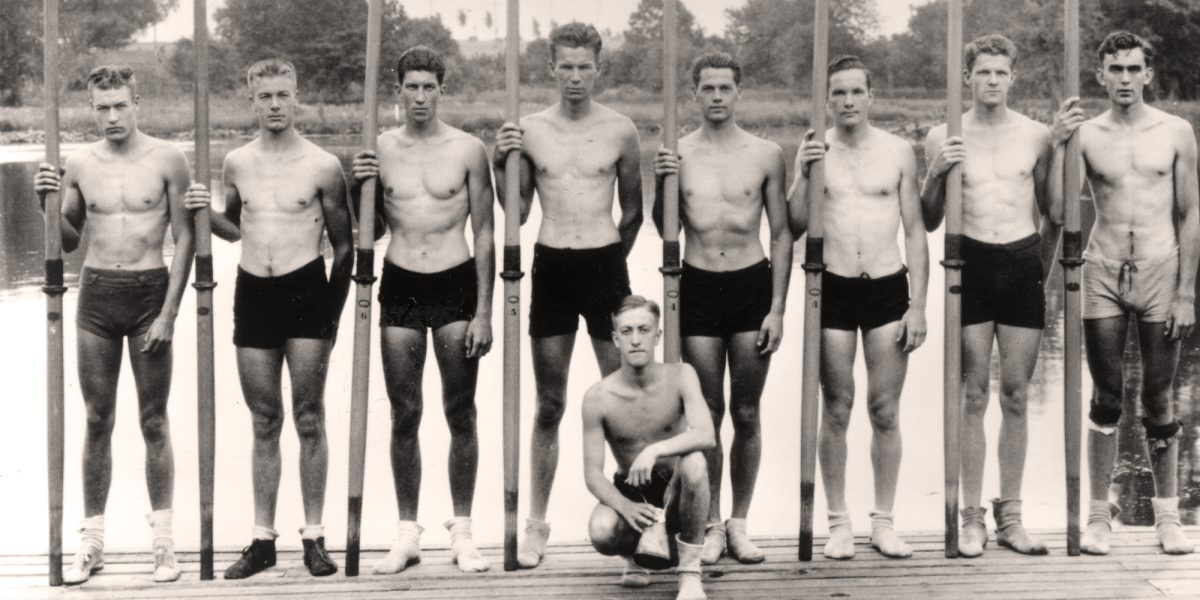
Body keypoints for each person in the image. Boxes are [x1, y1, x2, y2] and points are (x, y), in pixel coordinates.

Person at [183, 59, 354, 578]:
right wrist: (201, 210)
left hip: (307, 293)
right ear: (251, 99)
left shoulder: (323, 165)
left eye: (283, 95)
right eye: (265, 96)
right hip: (253, 292)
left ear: (296, 97)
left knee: (308, 417)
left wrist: (333, 313)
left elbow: (344, 248)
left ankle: (315, 537)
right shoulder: (236, 162)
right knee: (263, 420)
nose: (275, 104)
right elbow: (234, 229)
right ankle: (261, 540)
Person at [33, 64, 195, 585]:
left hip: (150, 294)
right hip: (98, 296)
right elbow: (68, 241)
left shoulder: (168, 159)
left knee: (153, 420)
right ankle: (93, 542)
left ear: (137, 103)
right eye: (102, 108)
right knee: (97, 419)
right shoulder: (79, 164)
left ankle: (164, 543)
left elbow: (187, 237)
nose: (111, 116)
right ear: (91, 110)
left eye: (120, 105)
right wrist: (46, 202)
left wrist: (170, 311)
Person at [492, 22, 644, 567]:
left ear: (598, 69)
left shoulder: (621, 130)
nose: (575, 77)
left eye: (585, 66)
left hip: (604, 265)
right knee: (550, 403)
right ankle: (536, 525)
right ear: (550, 68)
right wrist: (497, 162)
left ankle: (634, 532)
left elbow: (634, 213)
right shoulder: (529, 130)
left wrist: (610, 266)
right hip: (552, 263)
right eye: (566, 66)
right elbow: (519, 212)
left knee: (621, 402)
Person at [349, 46, 496, 574]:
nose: (419, 97)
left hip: (456, 284)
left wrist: (484, 311)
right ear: (398, 90)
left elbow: (484, 230)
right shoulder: (380, 148)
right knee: (404, 412)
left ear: (442, 89)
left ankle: (463, 531)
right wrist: (355, 185)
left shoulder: (469, 149)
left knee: (461, 411)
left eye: (428, 87)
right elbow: (372, 229)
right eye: (410, 87)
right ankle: (407, 533)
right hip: (401, 282)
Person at [1051, 31, 1197, 555]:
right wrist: (1056, 141)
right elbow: (1056, 208)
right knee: (1106, 395)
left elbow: (1190, 213)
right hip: (1104, 268)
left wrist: (1186, 292)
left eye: (1134, 69)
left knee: (1159, 397)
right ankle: (1097, 515)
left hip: (1162, 267)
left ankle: (1168, 515)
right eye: (1116, 70)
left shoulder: (1176, 131)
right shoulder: (1087, 135)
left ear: (1149, 74)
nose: (1126, 79)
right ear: (1100, 75)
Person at [921, 34, 1061, 557]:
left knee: (1018, 397)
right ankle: (972, 517)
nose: (992, 82)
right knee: (974, 394)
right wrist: (935, 172)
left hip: (1022, 263)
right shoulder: (943, 135)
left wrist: (1040, 275)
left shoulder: (1036, 134)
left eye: (1001, 73)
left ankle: (1013, 517)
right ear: (968, 77)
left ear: (1013, 77)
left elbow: (1054, 211)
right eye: (983, 73)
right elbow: (931, 217)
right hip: (970, 264)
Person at [651, 52, 791, 564]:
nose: (715, 96)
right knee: (705, 412)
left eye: (724, 88)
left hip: (752, 286)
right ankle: (708, 524)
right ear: (693, 94)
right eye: (706, 88)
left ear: (738, 92)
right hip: (699, 284)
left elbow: (780, 233)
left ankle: (739, 523)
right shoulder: (677, 152)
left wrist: (777, 307)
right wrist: (663, 180)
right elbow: (662, 225)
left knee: (747, 410)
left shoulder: (766, 153)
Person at [790, 55, 928, 560]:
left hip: (888, 288)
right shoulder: (814, 148)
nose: (847, 101)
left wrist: (919, 305)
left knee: (885, 409)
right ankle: (838, 521)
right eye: (838, 94)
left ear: (870, 97)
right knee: (838, 408)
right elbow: (795, 221)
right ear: (827, 100)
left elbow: (915, 230)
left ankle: (884, 521)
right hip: (834, 288)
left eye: (856, 92)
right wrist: (805, 173)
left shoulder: (897, 152)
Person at [583, 295, 713, 600]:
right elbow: (592, 474)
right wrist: (625, 507)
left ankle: (691, 575)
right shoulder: (598, 397)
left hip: (675, 492)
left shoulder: (682, 375)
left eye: (644, 329)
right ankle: (634, 555)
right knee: (601, 531)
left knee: (694, 461)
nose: (636, 340)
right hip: (634, 493)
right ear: (615, 339)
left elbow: (706, 435)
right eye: (626, 332)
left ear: (658, 335)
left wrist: (654, 450)